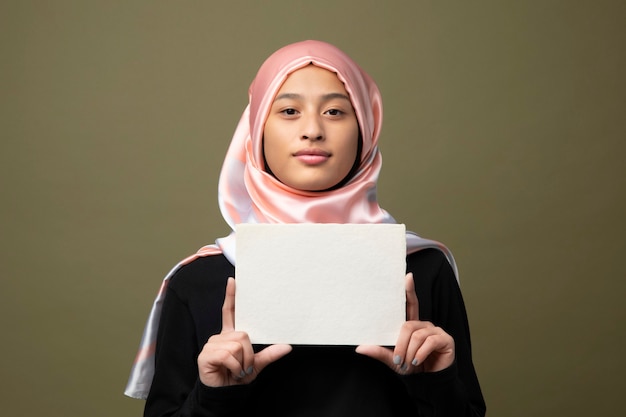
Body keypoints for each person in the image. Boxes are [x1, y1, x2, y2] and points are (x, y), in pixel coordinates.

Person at [125, 39, 486, 416]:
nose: (312, 129)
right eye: (289, 110)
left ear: (365, 128)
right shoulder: (198, 280)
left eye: (334, 111)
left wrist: (435, 382)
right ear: (257, 131)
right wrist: (214, 395)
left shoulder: (423, 269)